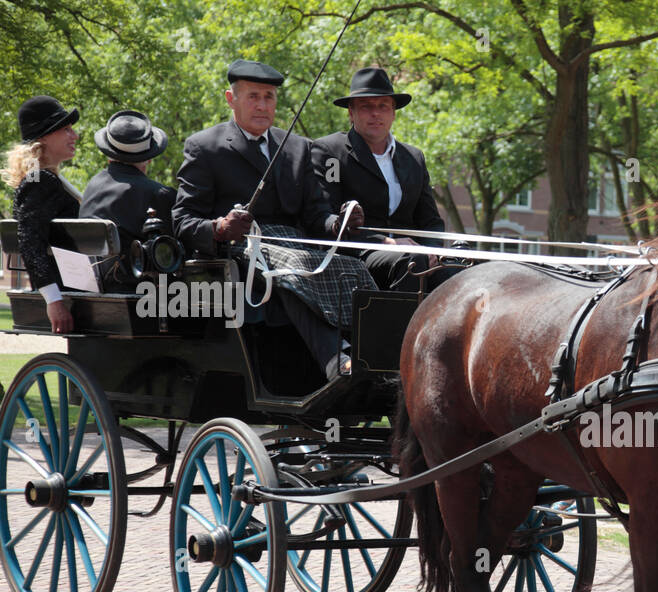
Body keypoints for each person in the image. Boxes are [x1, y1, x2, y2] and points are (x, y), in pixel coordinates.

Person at [172, 60, 373, 379]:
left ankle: (376, 353)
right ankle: (335, 359)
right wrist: (220, 227)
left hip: (295, 242)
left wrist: (339, 223)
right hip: (241, 251)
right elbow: (183, 220)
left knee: (354, 267)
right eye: (253, 97)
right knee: (293, 265)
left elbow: (315, 214)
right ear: (230, 99)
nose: (263, 105)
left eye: (269, 97)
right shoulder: (205, 147)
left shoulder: (298, 146)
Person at [313, 67, 452, 293]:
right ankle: (399, 329)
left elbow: (431, 221)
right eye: (366, 107)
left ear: (393, 113)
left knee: (462, 270)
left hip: (415, 256)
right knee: (411, 262)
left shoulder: (414, 158)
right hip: (359, 253)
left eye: (382, 106)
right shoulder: (330, 152)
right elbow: (324, 218)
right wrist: (387, 243)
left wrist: (433, 251)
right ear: (351, 112)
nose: (375, 114)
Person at [0, 96, 82, 333]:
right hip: (71, 287)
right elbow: (30, 239)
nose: (74, 135)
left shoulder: (44, 177)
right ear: (44, 136)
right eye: (66, 129)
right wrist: (53, 300)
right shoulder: (39, 179)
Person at [79, 110, 176, 290]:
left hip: (91, 291)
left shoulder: (92, 187)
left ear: (109, 154)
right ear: (147, 159)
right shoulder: (159, 194)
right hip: (142, 300)